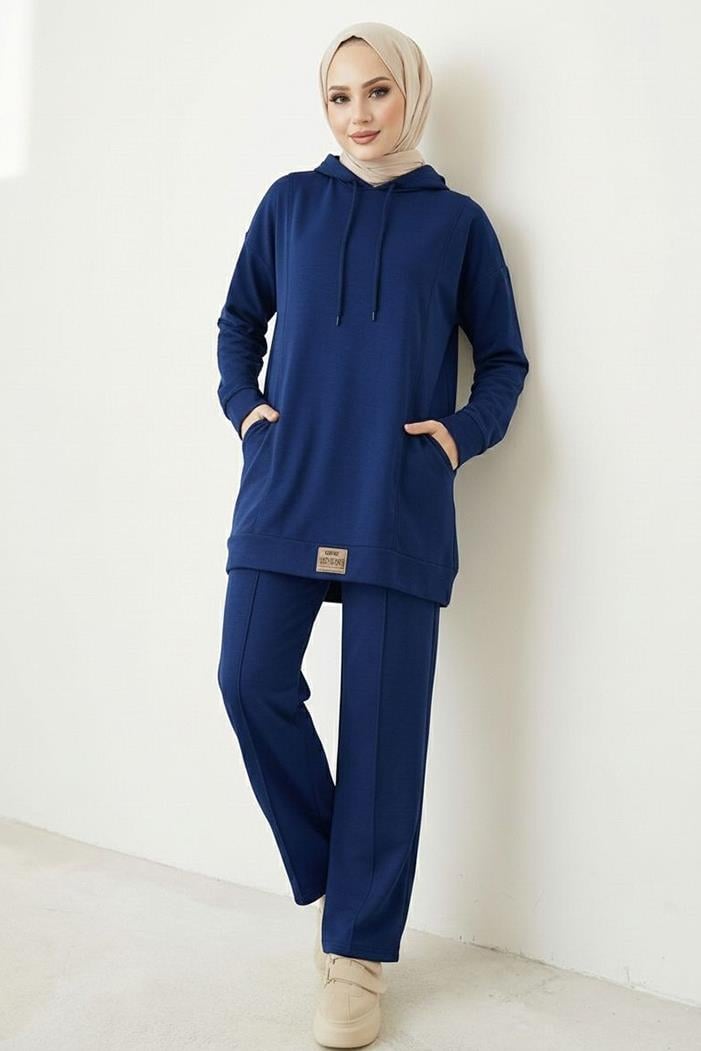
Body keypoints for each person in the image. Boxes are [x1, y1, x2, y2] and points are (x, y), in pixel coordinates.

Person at [215, 21, 529, 1048]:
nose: (358, 114)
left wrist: (457, 436)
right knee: (247, 677)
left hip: (396, 495)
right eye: (339, 96)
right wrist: (248, 412)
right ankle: (340, 876)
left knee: (385, 735)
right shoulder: (289, 204)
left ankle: (354, 957)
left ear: (412, 94)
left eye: (377, 91)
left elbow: (505, 360)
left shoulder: (459, 224)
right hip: (289, 482)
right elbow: (237, 322)